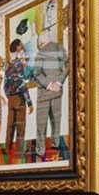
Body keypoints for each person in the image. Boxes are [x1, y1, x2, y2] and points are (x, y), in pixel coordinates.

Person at [29, 19, 68, 161]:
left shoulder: (40, 54)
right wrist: (58, 82)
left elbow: (37, 73)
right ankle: (56, 144)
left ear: (40, 42)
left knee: (41, 121)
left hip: (44, 92)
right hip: (57, 90)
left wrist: (48, 85)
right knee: (56, 119)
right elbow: (68, 66)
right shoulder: (60, 48)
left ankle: (40, 149)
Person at [3, 39, 33, 156]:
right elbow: (22, 84)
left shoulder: (9, 65)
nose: (22, 45)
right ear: (17, 47)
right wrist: (29, 102)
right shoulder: (21, 63)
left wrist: (9, 96)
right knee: (20, 125)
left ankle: (7, 148)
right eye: (21, 44)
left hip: (11, 100)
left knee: (10, 125)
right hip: (20, 98)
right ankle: (19, 152)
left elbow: (5, 85)